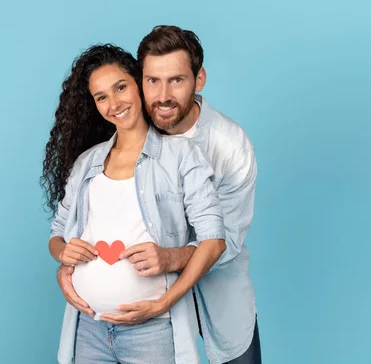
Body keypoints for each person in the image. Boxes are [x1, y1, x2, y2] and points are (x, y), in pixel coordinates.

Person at [57, 26, 261, 364]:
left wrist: (169, 258)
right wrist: (71, 265)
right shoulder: (126, 132)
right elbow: (96, 219)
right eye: (153, 81)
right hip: (135, 324)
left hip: (216, 298)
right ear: (140, 82)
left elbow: (225, 240)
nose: (163, 95)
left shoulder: (230, 146)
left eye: (177, 80)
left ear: (199, 80)